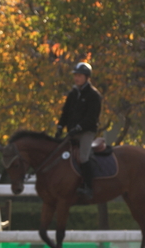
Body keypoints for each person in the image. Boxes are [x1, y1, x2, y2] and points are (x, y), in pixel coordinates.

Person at [55, 62, 102, 200]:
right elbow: (65, 113)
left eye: (79, 75)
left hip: (86, 132)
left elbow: (91, 118)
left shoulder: (94, 95)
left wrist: (78, 128)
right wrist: (59, 127)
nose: (76, 78)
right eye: (75, 75)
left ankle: (89, 187)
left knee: (83, 157)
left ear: (87, 77)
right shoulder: (73, 93)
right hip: (73, 132)